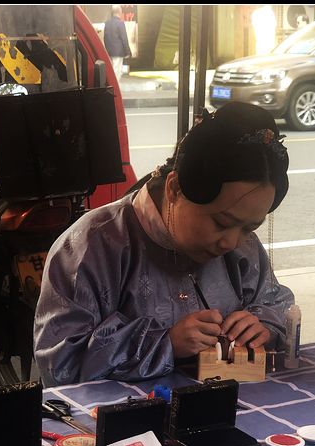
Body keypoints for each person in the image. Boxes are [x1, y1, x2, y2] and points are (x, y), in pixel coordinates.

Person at [34, 102, 295, 386]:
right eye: (221, 222)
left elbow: (275, 303)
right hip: (131, 411)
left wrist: (261, 325)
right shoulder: (92, 246)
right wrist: (165, 342)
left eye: (249, 228)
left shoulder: (242, 245)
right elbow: (60, 364)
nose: (232, 242)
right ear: (174, 188)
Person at [103, 5, 131, 81]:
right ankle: (115, 85)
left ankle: (112, 84)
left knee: (112, 69)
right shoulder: (120, 23)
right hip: (118, 52)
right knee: (117, 70)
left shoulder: (107, 23)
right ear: (120, 12)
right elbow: (124, 38)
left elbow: (105, 37)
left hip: (109, 51)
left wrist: (107, 49)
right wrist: (128, 52)